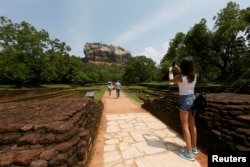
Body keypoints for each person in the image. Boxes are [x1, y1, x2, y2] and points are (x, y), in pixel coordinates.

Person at [168, 57, 198, 161]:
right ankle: (194, 148)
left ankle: (189, 153)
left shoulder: (180, 77)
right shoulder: (194, 76)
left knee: (185, 126)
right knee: (192, 125)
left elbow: (170, 81)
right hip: (193, 99)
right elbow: (185, 74)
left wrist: (170, 71)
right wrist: (177, 67)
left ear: (183, 67)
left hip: (184, 100)